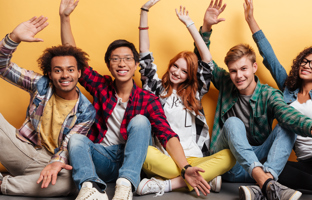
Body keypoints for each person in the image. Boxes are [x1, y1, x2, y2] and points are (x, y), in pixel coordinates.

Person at [59, 0, 211, 199]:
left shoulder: (147, 98)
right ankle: (90, 188)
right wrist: (64, 18)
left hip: (132, 160)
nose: (122, 63)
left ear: (135, 64)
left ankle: (126, 186)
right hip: (102, 157)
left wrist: (185, 168)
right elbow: (75, 59)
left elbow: (167, 134)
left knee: (140, 120)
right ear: (108, 64)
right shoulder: (101, 86)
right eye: (115, 59)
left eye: (128, 59)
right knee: (76, 139)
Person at [194, 0, 312, 199]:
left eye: (243, 69)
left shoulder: (269, 94)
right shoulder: (226, 82)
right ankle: (267, 182)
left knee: (286, 125)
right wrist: (206, 27)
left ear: (253, 68)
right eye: (233, 71)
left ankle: (264, 184)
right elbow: (204, 60)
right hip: (229, 163)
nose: (238, 76)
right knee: (233, 123)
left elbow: (288, 114)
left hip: (262, 164)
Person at [243, 0, 312, 199]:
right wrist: (251, 20)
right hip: (311, 164)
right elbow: (270, 58)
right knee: (272, 167)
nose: (307, 65)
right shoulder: (287, 91)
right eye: (304, 61)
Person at [136, 0, 235, 196]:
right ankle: (205, 178)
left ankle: (167, 185)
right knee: (143, 153)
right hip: (167, 159)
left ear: (190, 75)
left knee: (231, 156)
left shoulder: (195, 92)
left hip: (196, 159)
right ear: (170, 65)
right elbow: (145, 54)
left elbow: (207, 61)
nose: (177, 73)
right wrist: (144, 10)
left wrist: (190, 24)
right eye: (175, 66)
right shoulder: (155, 89)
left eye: (184, 71)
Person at [0, 16, 96, 197]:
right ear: (50, 74)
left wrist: (55, 163)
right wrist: (14, 38)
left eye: (70, 69)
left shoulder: (86, 110)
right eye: (58, 70)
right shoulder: (40, 85)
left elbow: (69, 146)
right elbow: (2, 67)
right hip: (21, 148)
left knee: (70, 181)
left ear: (79, 73)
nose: (65, 75)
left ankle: (4, 183)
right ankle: (25, 180)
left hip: (50, 162)